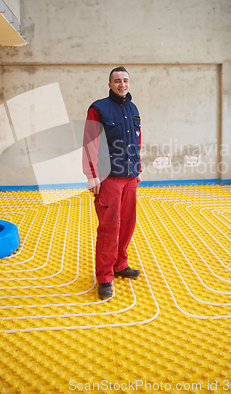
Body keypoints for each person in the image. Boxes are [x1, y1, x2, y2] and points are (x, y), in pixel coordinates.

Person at [82, 67, 142, 299]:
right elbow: (90, 142)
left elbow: (136, 141)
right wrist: (91, 174)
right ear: (110, 85)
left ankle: (119, 265)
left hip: (130, 178)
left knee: (127, 224)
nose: (122, 84)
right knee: (109, 228)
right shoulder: (98, 109)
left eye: (125, 80)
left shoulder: (133, 108)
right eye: (117, 81)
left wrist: (138, 169)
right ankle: (105, 277)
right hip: (108, 179)